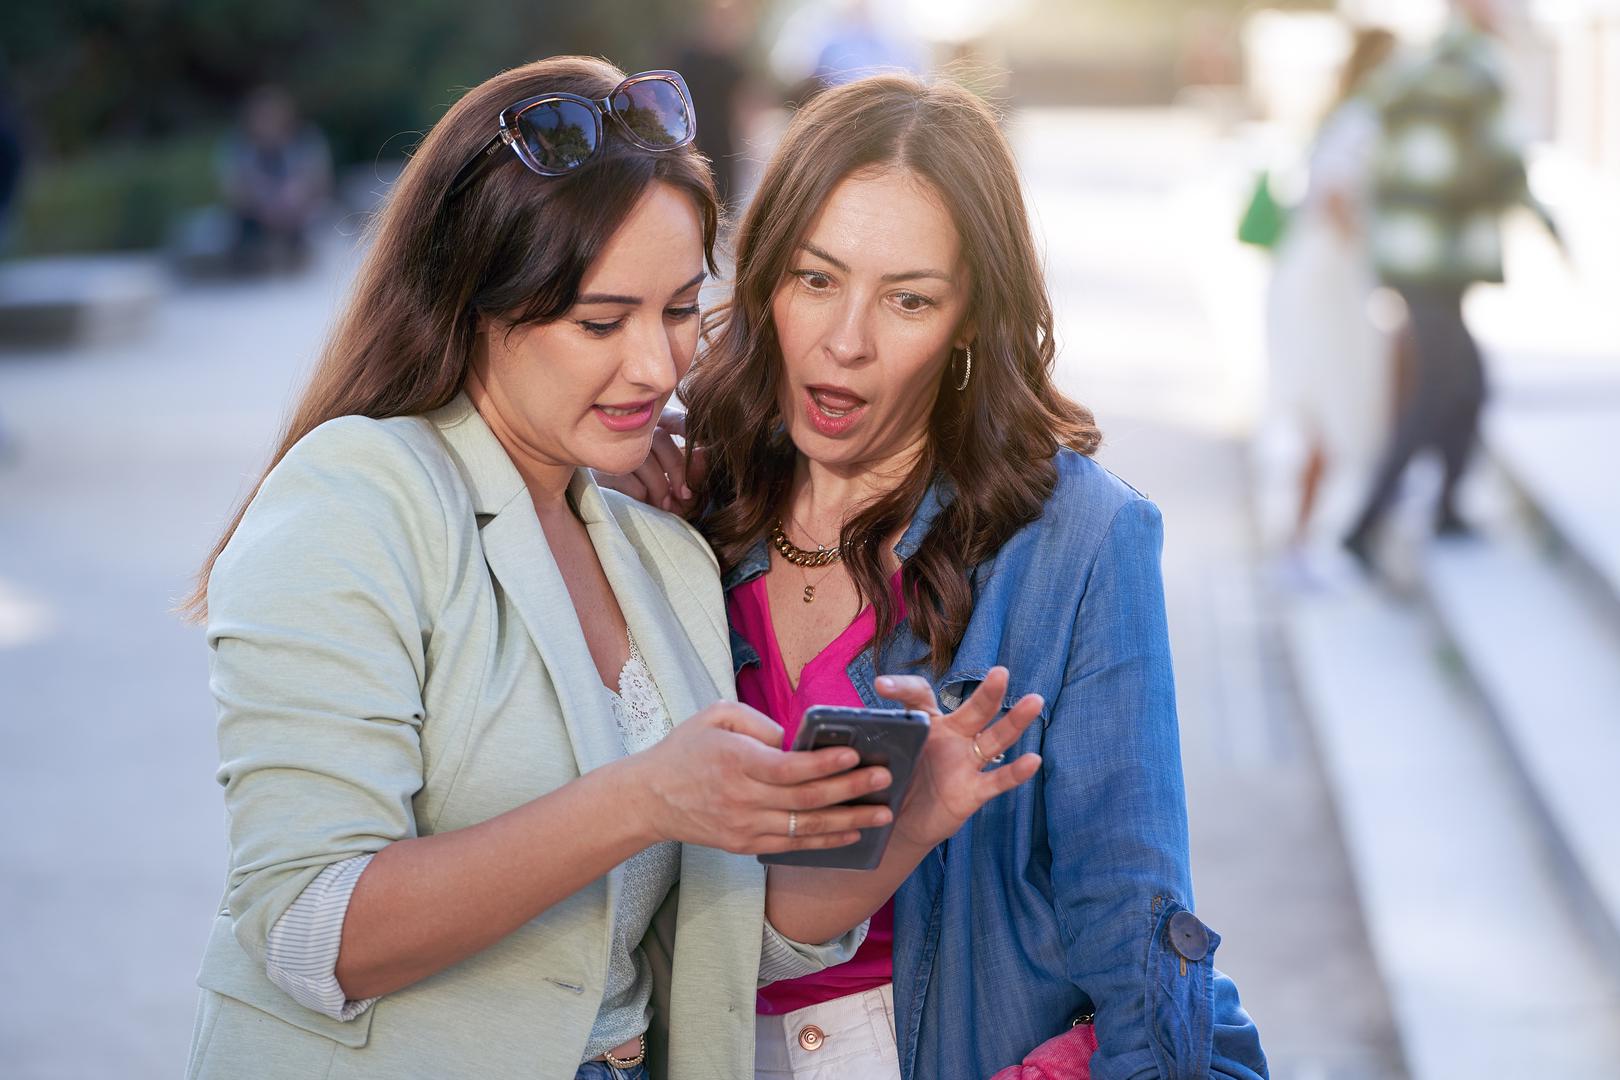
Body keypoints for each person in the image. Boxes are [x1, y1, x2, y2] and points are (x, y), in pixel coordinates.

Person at [181, 56, 1037, 1080]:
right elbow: (311, 936)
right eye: (601, 322)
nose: (658, 367)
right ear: (474, 303)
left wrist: (906, 827)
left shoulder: (659, 552)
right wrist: (642, 799)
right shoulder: (357, 499)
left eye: (679, 310)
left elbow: (709, 945)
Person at [607, 74, 1269, 1079]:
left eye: (908, 299)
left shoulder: (1079, 539)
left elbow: (1130, 910)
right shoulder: (677, 500)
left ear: (969, 319)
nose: (846, 340)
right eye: (816, 278)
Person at [1343, 0, 1557, 568]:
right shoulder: (1478, 68)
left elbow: (1383, 133)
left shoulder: (1419, 65)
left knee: (1467, 383)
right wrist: (1550, 224)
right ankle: (1366, 523)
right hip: (1438, 258)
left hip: (1413, 254)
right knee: (1441, 387)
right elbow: (1502, 162)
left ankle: (1446, 507)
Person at [1263, 27, 1398, 575]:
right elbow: (1337, 196)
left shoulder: (1346, 116)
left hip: (1322, 277)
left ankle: (1306, 539)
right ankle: (1300, 543)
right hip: (1328, 284)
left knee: (1336, 406)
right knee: (1332, 405)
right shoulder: (1360, 120)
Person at [217, 85, 332, 272]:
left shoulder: (306, 141)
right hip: (254, 218)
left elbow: (320, 182)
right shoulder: (237, 147)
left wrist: (298, 194)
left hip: (299, 215)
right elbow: (233, 190)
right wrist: (263, 203)